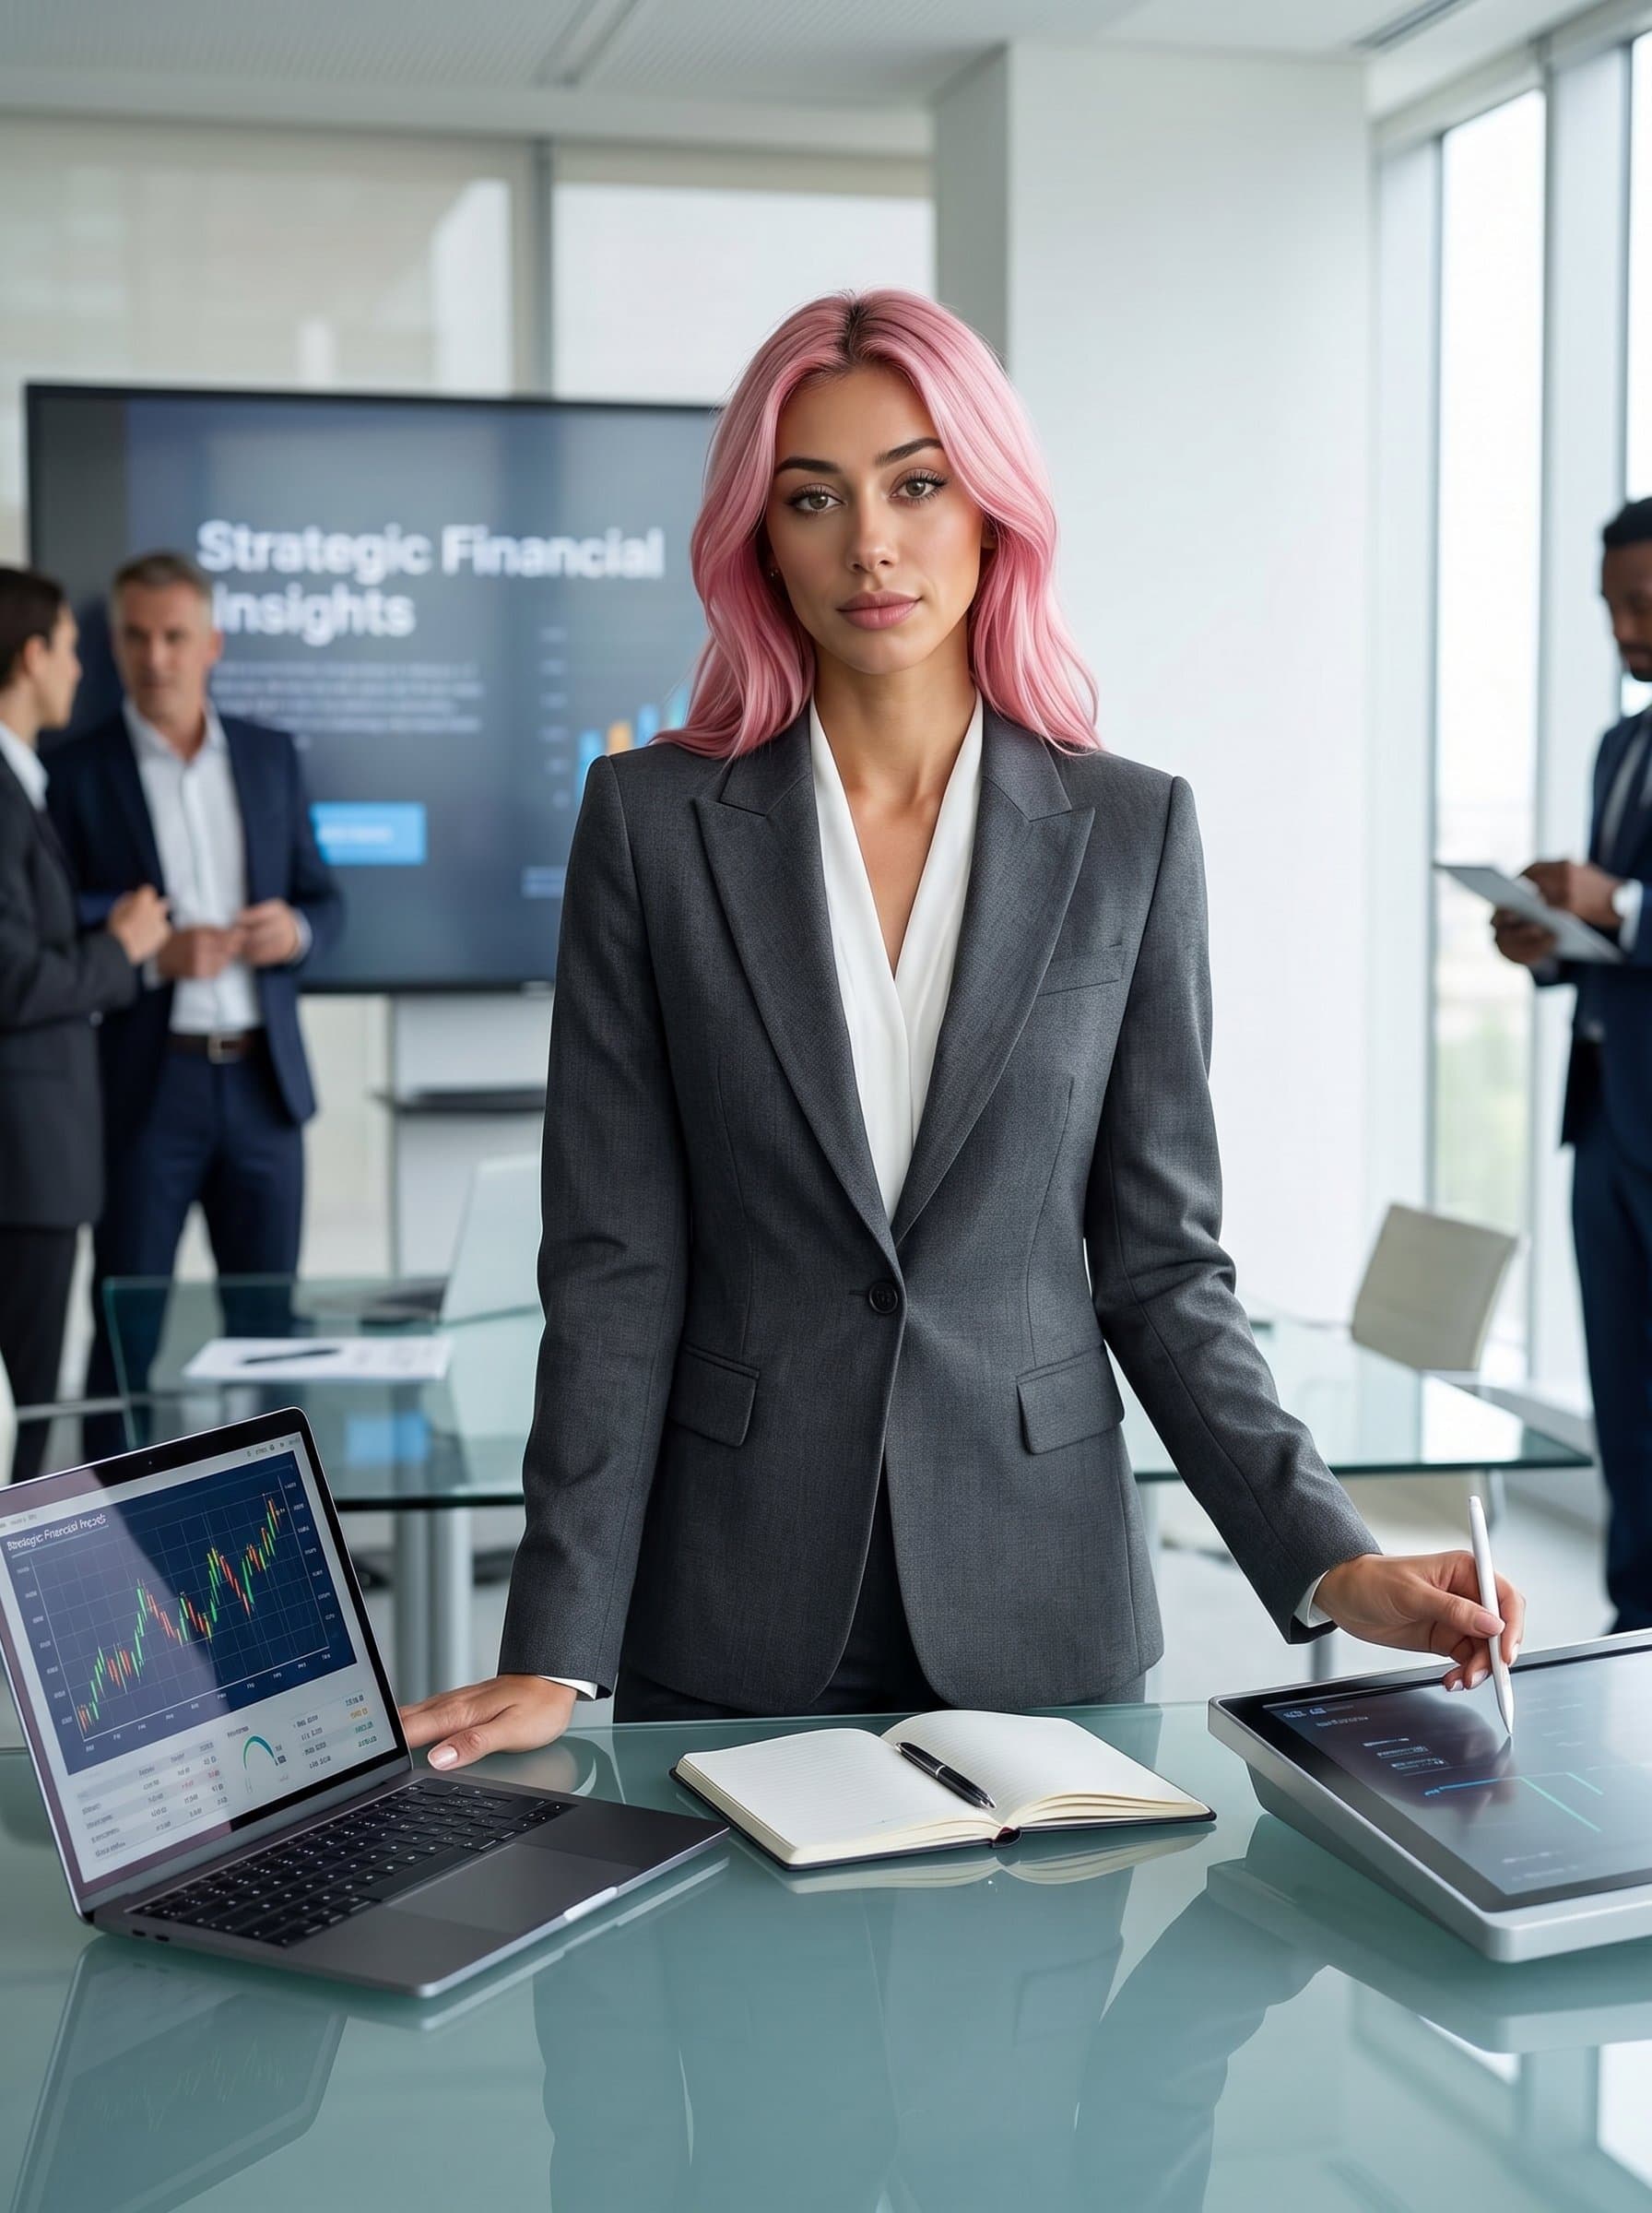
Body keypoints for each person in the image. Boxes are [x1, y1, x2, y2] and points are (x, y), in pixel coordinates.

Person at [405, 290, 1524, 1768]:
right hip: (726, 1601)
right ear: (763, 543)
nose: (871, 542)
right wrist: (557, 1637)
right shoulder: (653, 825)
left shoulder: (1130, 830)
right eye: (815, 498)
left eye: (917, 484)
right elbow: (615, 1268)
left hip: (1039, 1605)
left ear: (993, 514)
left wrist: (1328, 1558)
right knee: (707, 2006)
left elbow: (1163, 1269)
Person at [45, 550, 343, 1402]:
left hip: (264, 1084)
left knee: (271, 1340)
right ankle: (102, 1536)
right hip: (147, 1085)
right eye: (136, 637)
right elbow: (52, 912)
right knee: (126, 1336)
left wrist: (296, 930)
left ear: (211, 643)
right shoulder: (75, 771)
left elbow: (325, 898)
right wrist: (149, 953)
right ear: (114, 646)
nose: (156, 658)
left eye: (175, 636)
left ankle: (274, 1535)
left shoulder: (269, 756)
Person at [1494, 496, 1652, 1631]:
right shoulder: (1620, 746)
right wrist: (1555, 945)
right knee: (1623, 1393)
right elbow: (1617, 942)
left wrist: (1625, 905)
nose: (1623, 628)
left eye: (1641, 602)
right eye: (1611, 607)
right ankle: (1632, 1620)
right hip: (1603, 1114)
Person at [0, 568, 169, 1474]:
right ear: (30, 657)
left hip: (36, 1162)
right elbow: (13, 979)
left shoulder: (20, 786)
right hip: (23, 1168)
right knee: (19, 1425)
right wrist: (126, 948)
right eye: (69, 648)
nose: (79, 669)